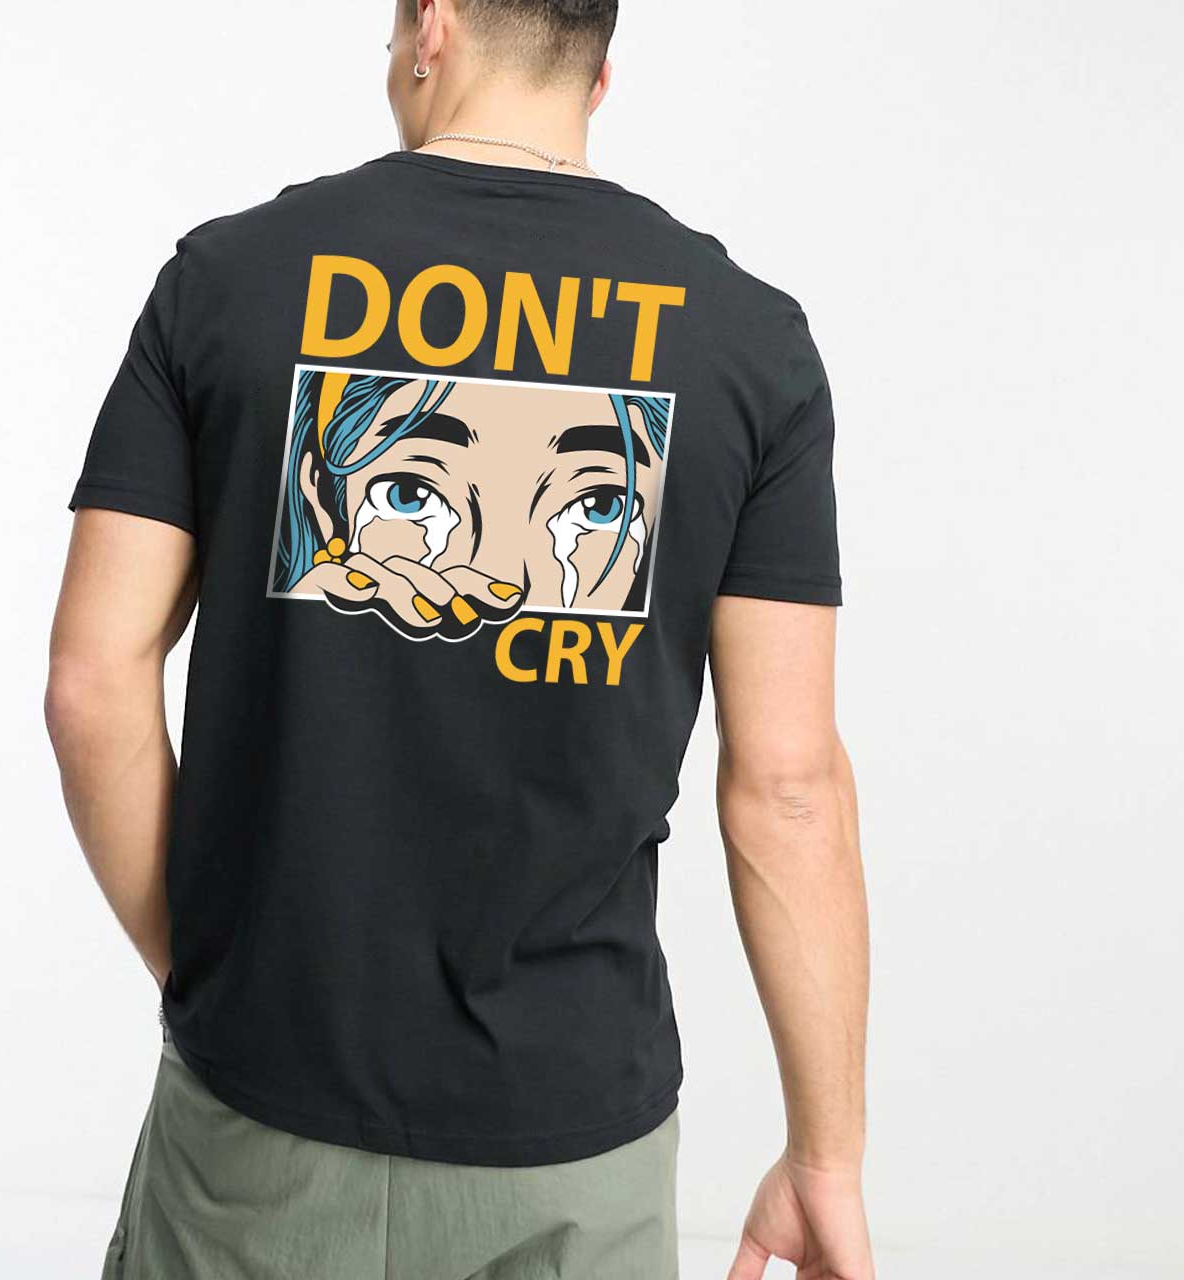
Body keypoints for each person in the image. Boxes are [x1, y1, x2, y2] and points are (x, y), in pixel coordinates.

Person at [45, 1, 873, 1276]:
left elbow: (91, 685)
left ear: (427, 27)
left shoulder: (230, 280)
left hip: (260, 1107)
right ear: (596, 77)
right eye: (414, 492)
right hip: (569, 1139)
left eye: (589, 503)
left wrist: (218, 977)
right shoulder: (747, 342)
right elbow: (788, 787)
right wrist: (824, 1156)